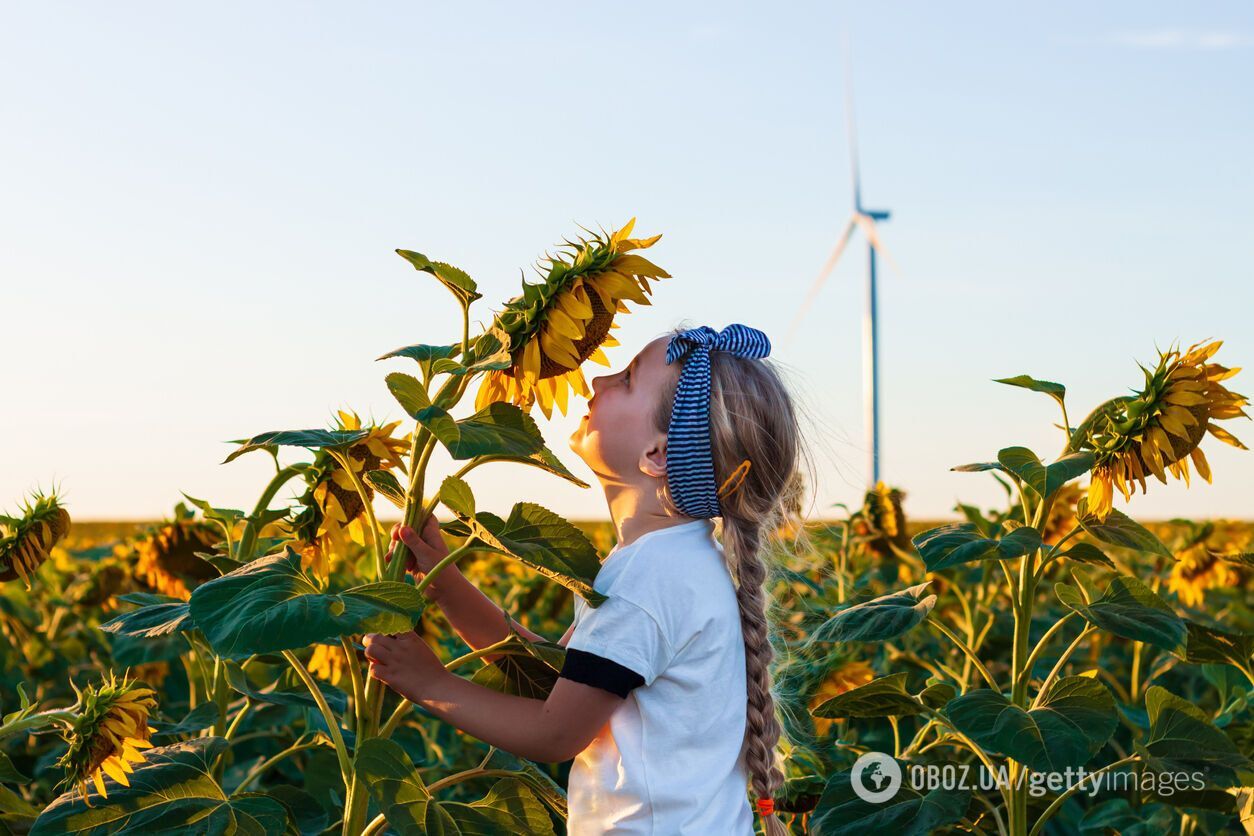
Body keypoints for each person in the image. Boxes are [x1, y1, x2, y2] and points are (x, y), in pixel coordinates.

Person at [365, 323, 808, 835]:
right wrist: (449, 587)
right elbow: (563, 684)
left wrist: (429, 683)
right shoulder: (669, 561)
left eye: (624, 380)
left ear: (657, 455)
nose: (598, 381)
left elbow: (556, 732)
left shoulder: (652, 577)